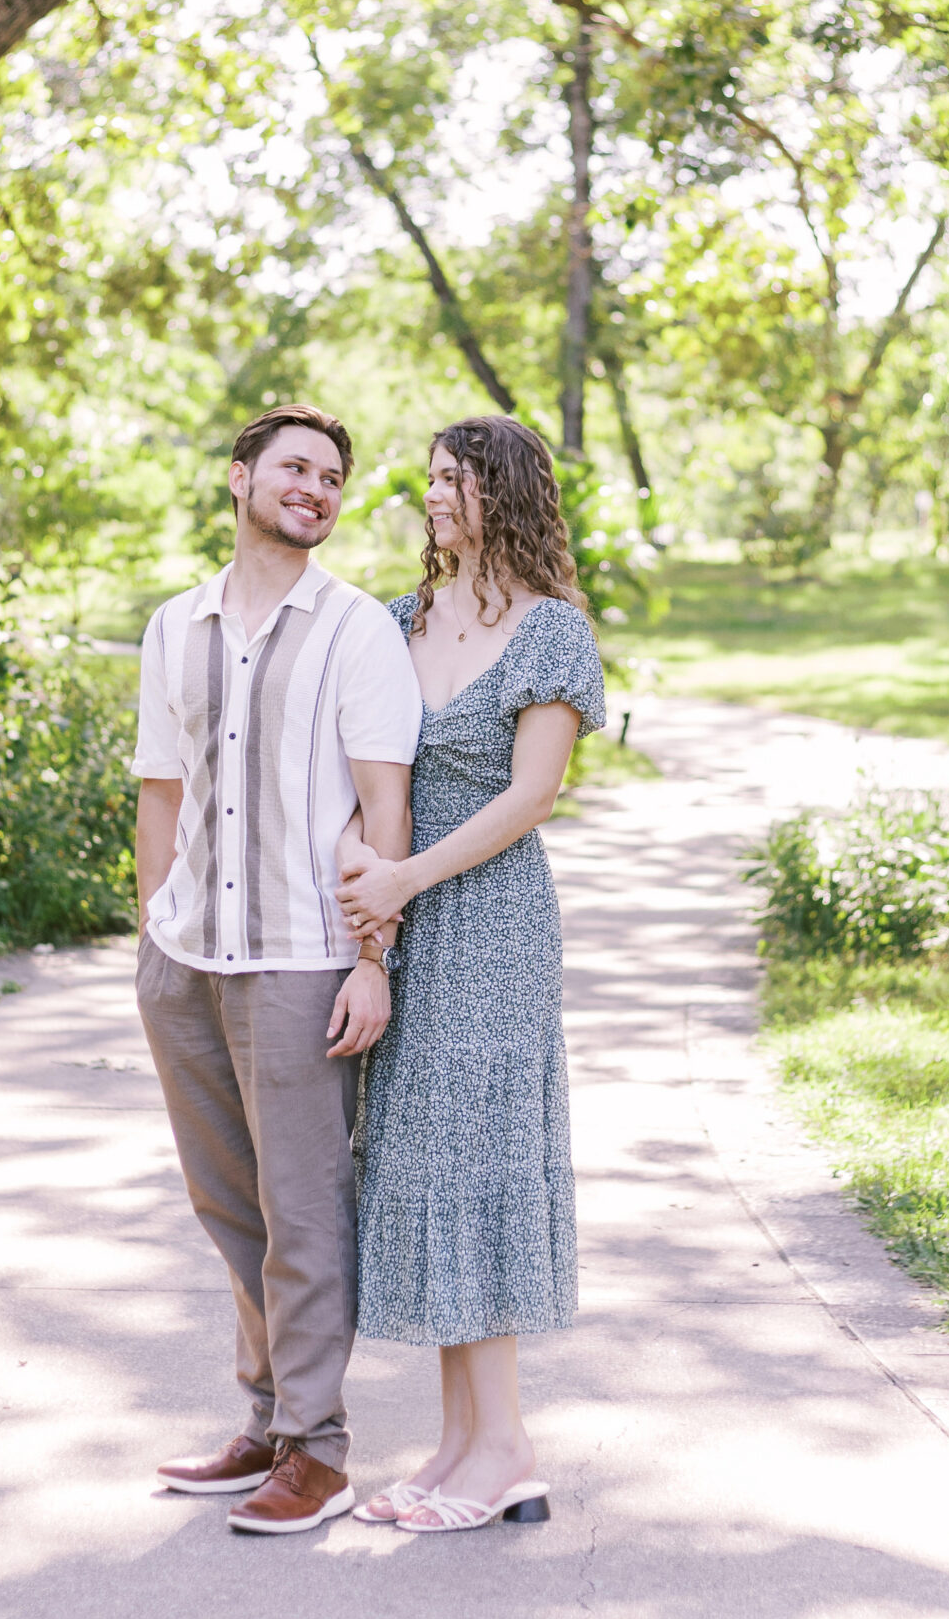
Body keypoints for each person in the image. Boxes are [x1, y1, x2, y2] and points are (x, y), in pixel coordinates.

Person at [133, 403, 421, 1534]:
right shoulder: (175, 627)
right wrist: (150, 934)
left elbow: (385, 807)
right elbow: (162, 790)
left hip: (302, 958)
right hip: (185, 960)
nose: (316, 488)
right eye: (295, 467)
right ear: (240, 477)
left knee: (302, 1211)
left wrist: (372, 959)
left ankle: (317, 1448)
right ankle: (262, 1420)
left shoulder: (357, 632)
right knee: (226, 1207)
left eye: (332, 477)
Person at [338, 414, 604, 1535]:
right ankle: (459, 1446)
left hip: (490, 925)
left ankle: (506, 1449)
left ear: (507, 492)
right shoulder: (399, 619)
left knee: (479, 1168)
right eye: (432, 478)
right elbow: (364, 766)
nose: (435, 495)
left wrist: (402, 878)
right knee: (426, 1170)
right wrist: (361, 865)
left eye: (457, 479)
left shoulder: (552, 633)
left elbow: (531, 795)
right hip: (406, 922)